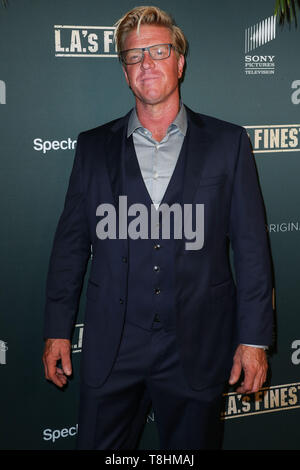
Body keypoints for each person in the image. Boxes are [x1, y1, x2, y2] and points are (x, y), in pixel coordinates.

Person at [42, 6, 274, 450]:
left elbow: (251, 251)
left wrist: (254, 341)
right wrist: (57, 329)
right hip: (112, 349)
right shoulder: (92, 148)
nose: (147, 63)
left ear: (180, 62)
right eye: (134, 56)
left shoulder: (229, 144)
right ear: (125, 72)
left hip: (197, 348)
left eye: (159, 51)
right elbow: (70, 246)